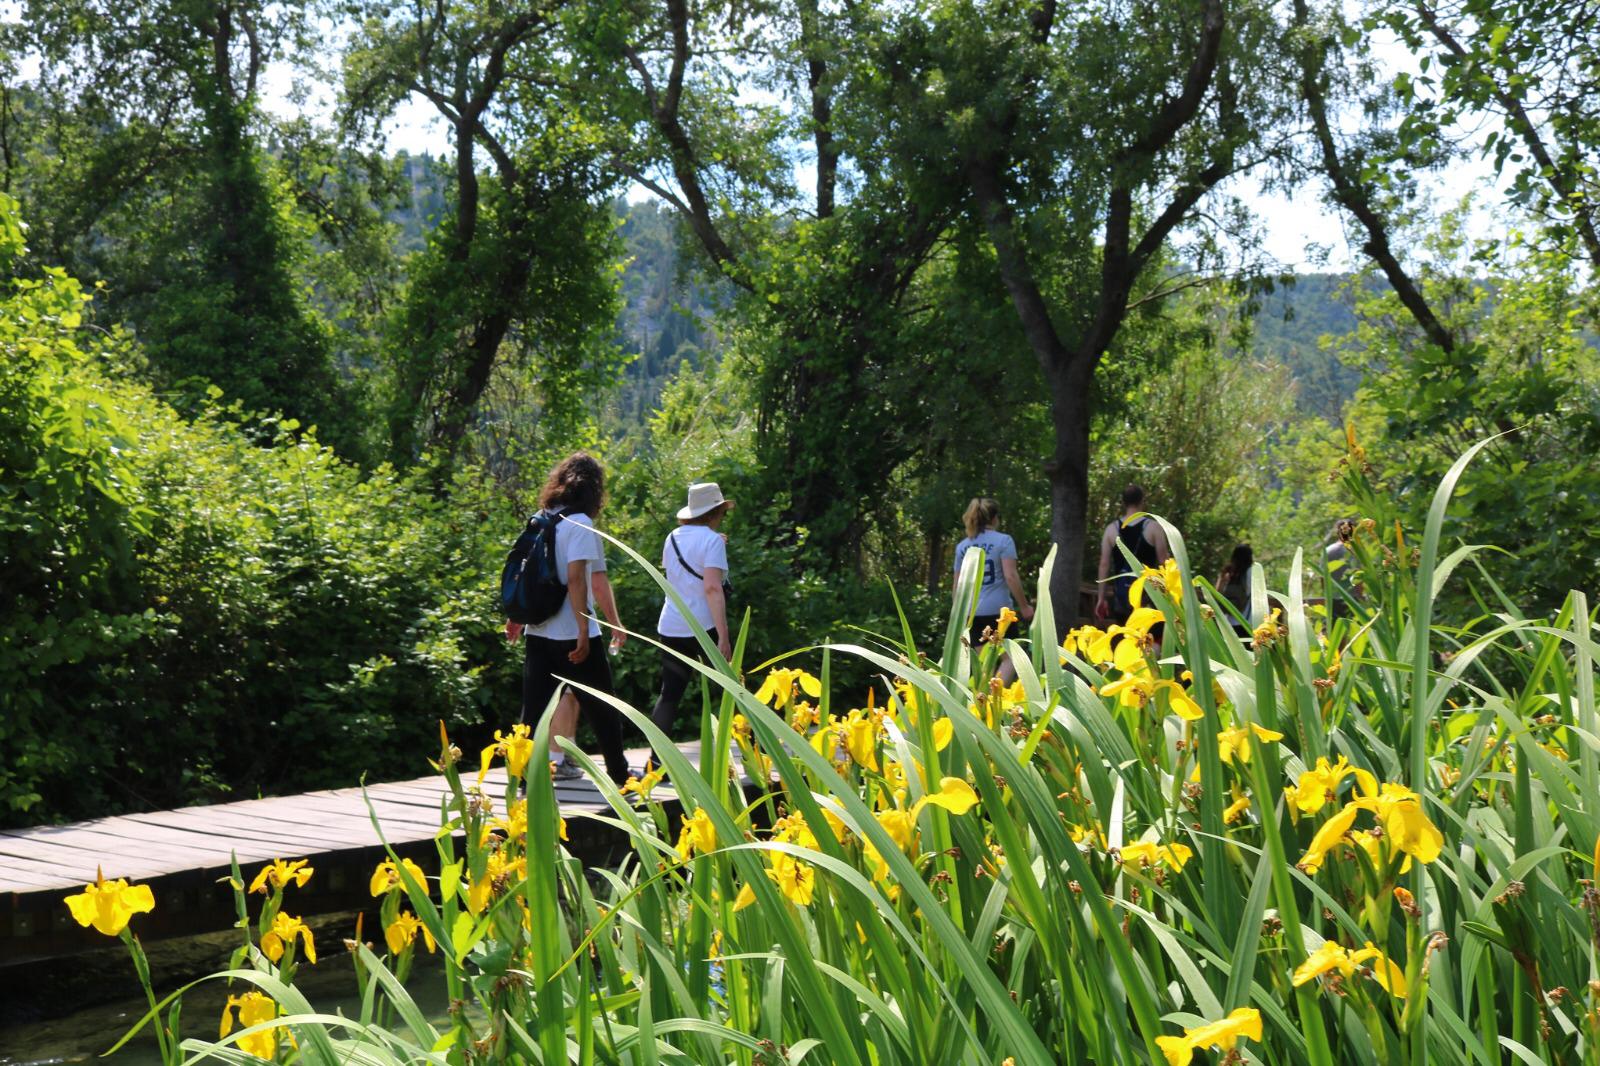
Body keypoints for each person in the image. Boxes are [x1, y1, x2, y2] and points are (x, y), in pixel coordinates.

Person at [503, 452, 631, 784]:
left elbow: (523, 572)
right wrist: (585, 630)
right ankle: (619, 776)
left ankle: (522, 780)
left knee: (532, 714)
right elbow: (579, 579)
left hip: (539, 631)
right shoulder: (581, 525)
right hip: (571, 636)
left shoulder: (540, 518)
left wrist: (518, 615)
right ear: (594, 489)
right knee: (603, 708)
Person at [651, 482, 734, 744]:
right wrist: (723, 636)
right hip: (704, 626)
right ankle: (756, 756)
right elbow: (711, 588)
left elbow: (677, 571)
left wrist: (713, 542)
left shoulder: (672, 537)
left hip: (672, 625)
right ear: (715, 512)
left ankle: (657, 762)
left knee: (670, 694)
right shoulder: (712, 542)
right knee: (732, 690)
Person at [952, 497, 1034, 681]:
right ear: (995, 518)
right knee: (1011, 659)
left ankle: (983, 703)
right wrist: (1025, 606)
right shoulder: (1003, 541)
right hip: (999, 612)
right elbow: (1011, 576)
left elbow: (957, 585)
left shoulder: (962, 547)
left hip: (972, 613)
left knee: (984, 664)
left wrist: (958, 616)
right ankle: (994, 696)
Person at [1096, 484, 1172, 625]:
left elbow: (1104, 564)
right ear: (1142, 501)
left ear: (1123, 503)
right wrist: (1169, 594)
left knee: (1127, 637)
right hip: (1149, 596)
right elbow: (1164, 561)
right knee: (1151, 640)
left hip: (1122, 598)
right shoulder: (1153, 527)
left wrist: (1101, 598)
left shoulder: (1111, 529)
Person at [1217, 543, 1253, 632]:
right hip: (1246, 621)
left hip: (1229, 621)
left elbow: (1217, 593)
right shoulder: (1251, 572)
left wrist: (1221, 577)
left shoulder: (1229, 572)